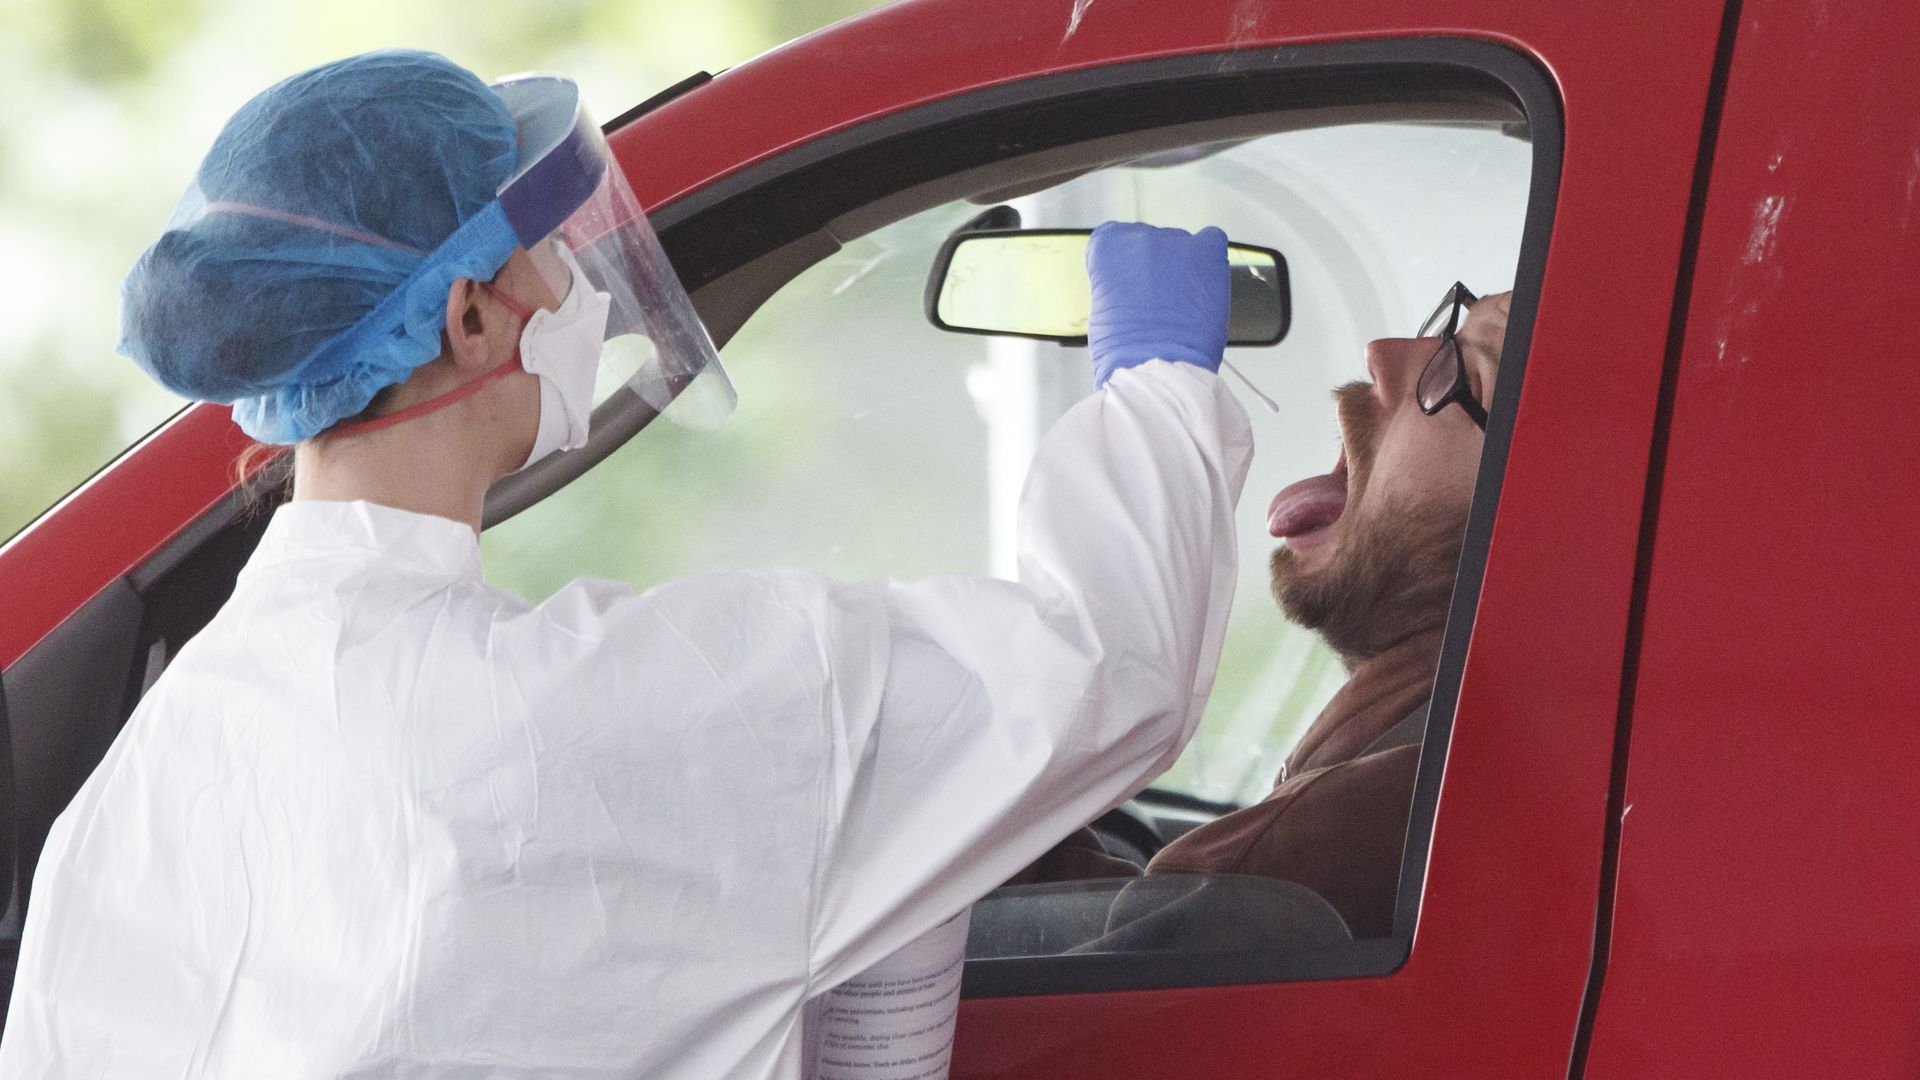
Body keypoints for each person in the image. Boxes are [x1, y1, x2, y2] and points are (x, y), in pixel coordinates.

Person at [0, 50, 1252, 1079]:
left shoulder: (149, 780)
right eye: (553, 248)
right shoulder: (585, 717)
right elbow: (1105, 662)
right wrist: (1155, 377)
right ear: (471, 317)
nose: (584, 286)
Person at [1014, 285, 1512, 942]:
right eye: (1449, 322)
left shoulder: (1296, 860)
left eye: (1459, 371)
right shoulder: (1474, 785)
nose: (1382, 354)